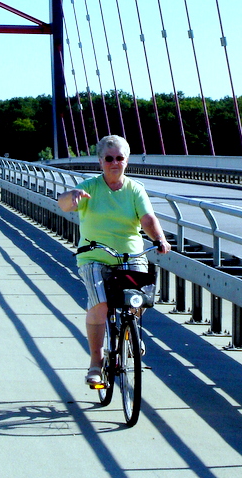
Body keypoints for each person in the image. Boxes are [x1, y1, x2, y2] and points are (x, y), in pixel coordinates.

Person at [57, 134, 171, 386]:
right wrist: (71, 195)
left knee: (140, 297)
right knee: (101, 304)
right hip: (94, 256)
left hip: (130, 254)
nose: (114, 163)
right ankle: (96, 363)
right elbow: (64, 204)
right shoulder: (90, 187)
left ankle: (130, 332)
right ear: (100, 161)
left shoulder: (135, 190)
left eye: (119, 158)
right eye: (109, 158)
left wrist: (160, 239)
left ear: (127, 161)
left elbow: (147, 219)